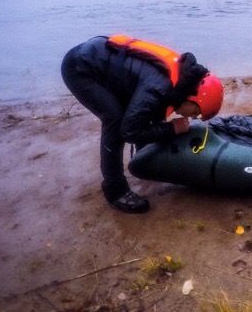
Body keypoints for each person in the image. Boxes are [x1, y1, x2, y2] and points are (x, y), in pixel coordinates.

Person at [61, 34, 224, 213]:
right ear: (193, 98)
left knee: (148, 111)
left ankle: (145, 159)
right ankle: (115, 191)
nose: (193, 117)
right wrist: (172, 128)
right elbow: (129, 132)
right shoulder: (159, 88)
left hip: (104, 59)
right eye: (195, 112)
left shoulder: (184, 80)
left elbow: (151, 110)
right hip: (81, 67)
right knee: (115, 120)